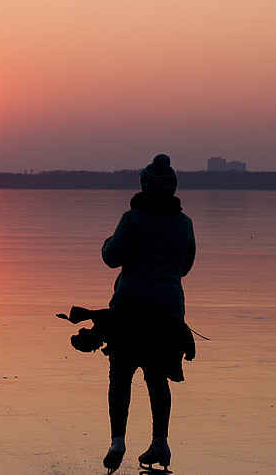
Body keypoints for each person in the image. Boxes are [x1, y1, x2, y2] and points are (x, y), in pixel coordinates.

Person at [100, 154, 197, 473]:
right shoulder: (184, 224)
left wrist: (108, 244)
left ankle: (117, 441)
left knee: (120, 375)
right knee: (157, 377)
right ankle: (161, 441)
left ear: (144, 186)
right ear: (172, 191)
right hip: (168, 313)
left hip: (129, 310)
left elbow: (112, 258)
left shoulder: (132, 218)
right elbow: (184, 267)